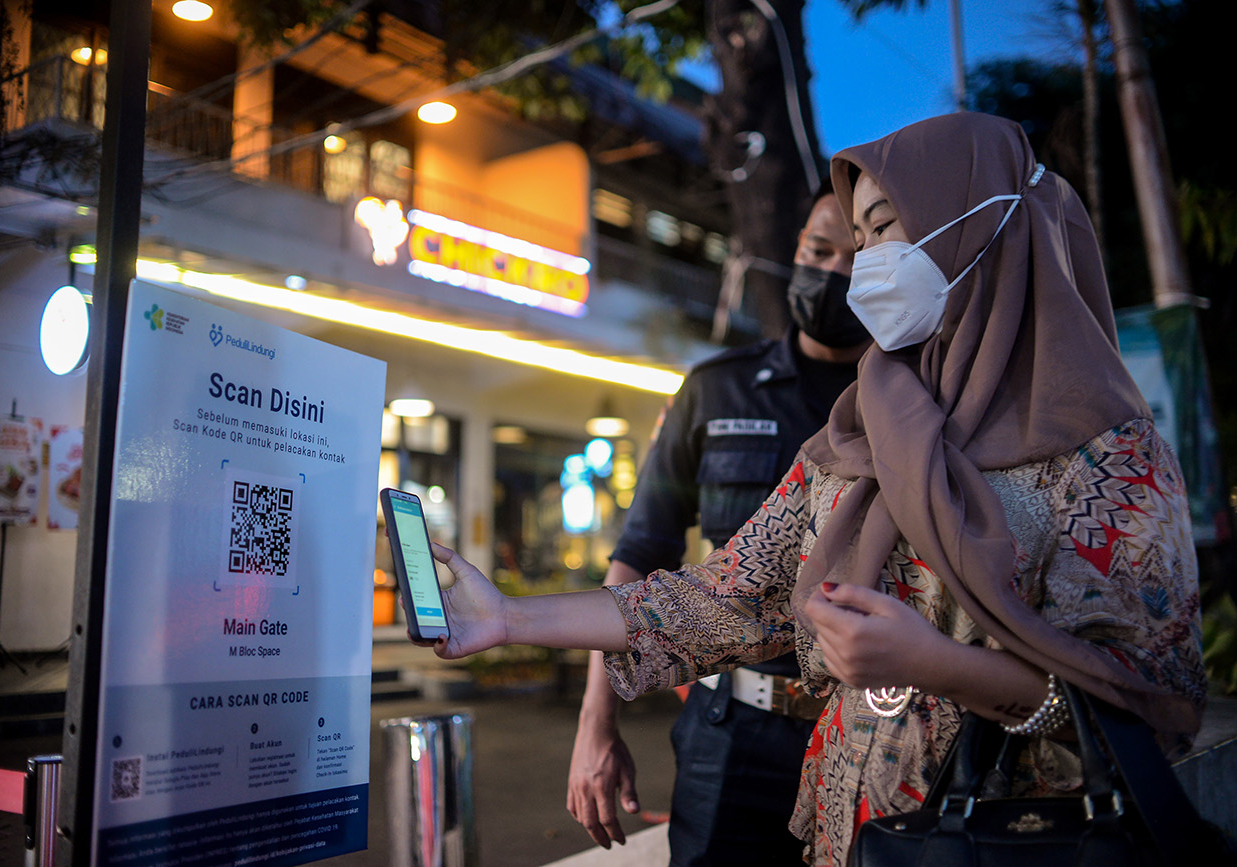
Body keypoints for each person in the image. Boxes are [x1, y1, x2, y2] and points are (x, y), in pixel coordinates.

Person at [424, 113, 1207, 866]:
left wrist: (938, 663)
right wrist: (509, 617)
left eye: (883, 228)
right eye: (854, 236)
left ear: (977, 226)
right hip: (848, 837)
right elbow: (724, 595)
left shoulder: (1109, 457)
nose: (865, 260)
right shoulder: (860, 430)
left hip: (1014, 841)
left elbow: (1150, 709)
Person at [567, 188, 868, 864]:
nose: (835, 273)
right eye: (820, 251)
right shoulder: (715, 389)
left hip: (864, 730)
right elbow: (640, 552)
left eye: (859, 257)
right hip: (731, 732)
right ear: (795, 252)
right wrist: (595, 724)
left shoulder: (907, 404)